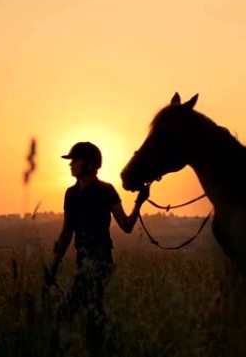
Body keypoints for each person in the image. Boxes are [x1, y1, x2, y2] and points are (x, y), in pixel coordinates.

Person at [45, 141, 149, 350]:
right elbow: (66, 233)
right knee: (93, 317)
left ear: (90, 164)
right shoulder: (71, 194)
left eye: (75, 160)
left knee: (67, 313)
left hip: (101, 264)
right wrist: (53, 265)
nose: (71, 164)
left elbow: (126, 226)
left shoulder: (106, 191)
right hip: (82, 263)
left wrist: (139, 203)